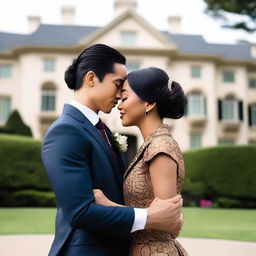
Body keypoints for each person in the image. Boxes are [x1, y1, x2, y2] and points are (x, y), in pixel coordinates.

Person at [41, 44, 183, 256]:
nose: (120, 95)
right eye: (118, 85)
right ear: (91, 79)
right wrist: (150, 217)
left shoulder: (103, 130)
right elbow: (79, 212)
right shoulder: (65, 131)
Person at [93, 67, 188, 255]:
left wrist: (106, 204)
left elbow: (168, 223)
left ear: (149, 103)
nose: (119, 106)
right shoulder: (151, 145)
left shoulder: (160, 148)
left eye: (125, 98)